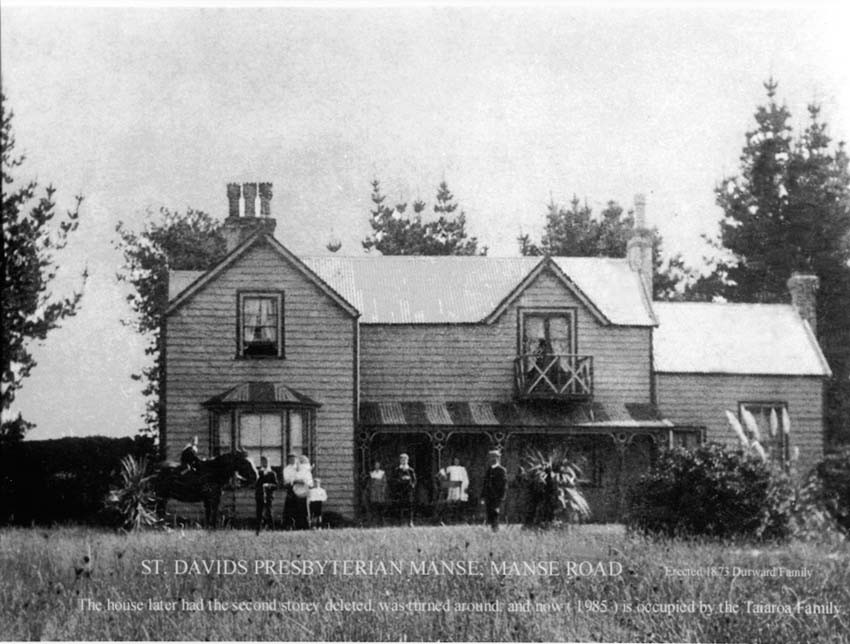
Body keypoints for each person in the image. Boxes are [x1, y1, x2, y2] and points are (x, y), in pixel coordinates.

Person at [481, 449, 507, 532]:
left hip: (497, 496)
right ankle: (491, 529)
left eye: (495, 457)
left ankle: (495, 529)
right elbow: (485, 484)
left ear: (498, 458)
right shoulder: (489, 470)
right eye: (491, 457)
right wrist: (483, 496)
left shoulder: (501, 470)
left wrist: (502, 497)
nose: (493, 459)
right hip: (488, 496)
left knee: (495, 512)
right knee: (489, 512)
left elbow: (504, 485)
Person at [391, 453, 417, 527]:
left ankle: (410, 521)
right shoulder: (397, 470)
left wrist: (412, 485)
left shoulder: (411, 470)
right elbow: (393, 479)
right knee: (400, 505)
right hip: (400, 490)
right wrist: (400, 480)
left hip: (408, 490)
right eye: (402, 460)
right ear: (400, 461)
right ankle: (400, 522)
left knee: (410, 506)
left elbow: (414, 480)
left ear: (407, 460)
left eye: (405, 459)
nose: (404, 461)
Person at [254, 456, 278, 534]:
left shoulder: (272, 473)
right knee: (259, 512)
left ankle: (271, 528)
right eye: (263, 462)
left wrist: (269, 485)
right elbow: (255, 484)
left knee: (269, 511)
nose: (265, 463)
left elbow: (276, 485)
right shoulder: (258, 473)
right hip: (259, 495)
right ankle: (258, 529)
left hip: (268, 495)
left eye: (266, 462)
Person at [291, 455, 314, 530]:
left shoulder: (307, 473)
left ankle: (306, 526)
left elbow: (311, 484)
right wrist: (296, 481)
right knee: (297, 510)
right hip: (296, 493)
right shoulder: (295, 473)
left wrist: (303, 482)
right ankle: (297, 525)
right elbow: (292, 481)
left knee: (305, 510)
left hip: (304, 493)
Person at [280, 453, 299, 530]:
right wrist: (293, 480)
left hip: (300, 488)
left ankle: (299, 524)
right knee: (290, 507)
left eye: (294, 459)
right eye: (291, 459)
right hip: (291, 488)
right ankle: (289, 525)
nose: (292, 460)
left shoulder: (299, 468)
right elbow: (287, 480)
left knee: (299, 506)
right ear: (288, 460)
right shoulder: (286, 469)